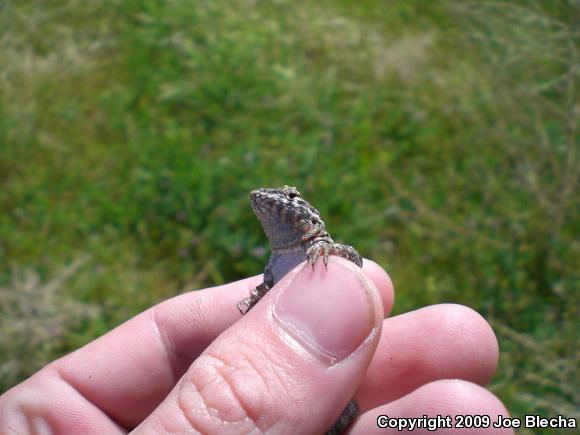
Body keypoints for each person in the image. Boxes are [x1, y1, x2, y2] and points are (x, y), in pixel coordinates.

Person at [0, 258, 513, 434]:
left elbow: (349, 261)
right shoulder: (276, 265)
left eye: (286, 195)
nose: (271, 200)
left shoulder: (321, 244)